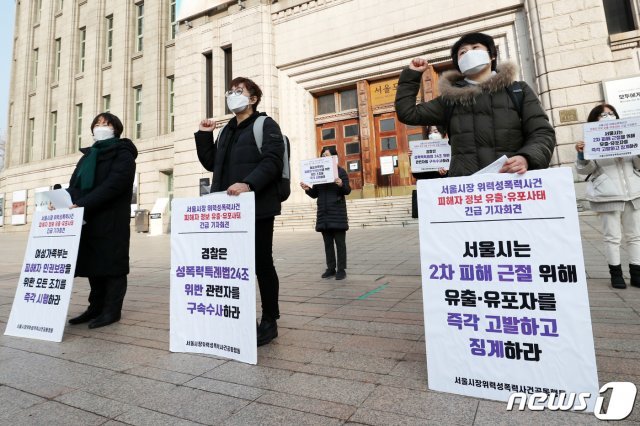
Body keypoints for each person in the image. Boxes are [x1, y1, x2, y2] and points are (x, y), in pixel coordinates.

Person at [195, 77, 285, 346]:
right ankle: (237, 316)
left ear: (253, 99)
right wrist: (203, 135)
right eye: (230, 92)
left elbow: (273, 160)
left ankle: (270, 320)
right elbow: (212, 164)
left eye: (239, 91)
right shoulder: (225, 131)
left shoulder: (264, 125)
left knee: (261, 262)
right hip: (227, 210)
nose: (233, 95)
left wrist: (249, 183)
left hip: (256, 207)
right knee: (232, 264)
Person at [395, 32, 556, 176]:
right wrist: (411, 76)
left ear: (491, 55)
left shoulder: (518, 91)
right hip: (466, 191)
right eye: (462, 52)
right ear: (459, 64)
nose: (469, 54)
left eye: (475, 47)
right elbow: (408, 113)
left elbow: (542, 132)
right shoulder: (450, 99)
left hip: (512, 183)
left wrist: (526, 158)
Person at [66, 113, 138, 328]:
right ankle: (95, 307)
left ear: (116, 128)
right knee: (93, 264)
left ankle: (112, 310)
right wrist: (62, 200)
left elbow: (114, 184)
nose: (101, 127)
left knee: (112, 265)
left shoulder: (123, 153)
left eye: (106, 124)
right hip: (89, 217)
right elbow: (75, 184)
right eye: (97, 124)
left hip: (111, 218)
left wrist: (84, 203)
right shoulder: (88, 155)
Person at [575, 103, 640, 289]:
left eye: (611, 114)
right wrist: (582, 155)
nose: (608, 117)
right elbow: (584, 170)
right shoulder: (590, 141)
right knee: (612, 237)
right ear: (595, 119)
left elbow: (637, 165)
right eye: (603, 115)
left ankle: (636, 273)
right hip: (607, 195)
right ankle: (616, 274)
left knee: (635, 236)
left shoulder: (629, 135)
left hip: (633, 192)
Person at [300, 147, 351, 280]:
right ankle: (330, 268)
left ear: (334, 157)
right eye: (322, 155)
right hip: (324, 213)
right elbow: (315, 193)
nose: (324, 157)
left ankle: (341, 269)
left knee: (340, 243)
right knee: (327, 243)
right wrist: (307, 189)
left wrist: (341, 184)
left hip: (337, 213)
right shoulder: (320, 173)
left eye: (327, 155)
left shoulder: (341, 172)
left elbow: (347, 190)